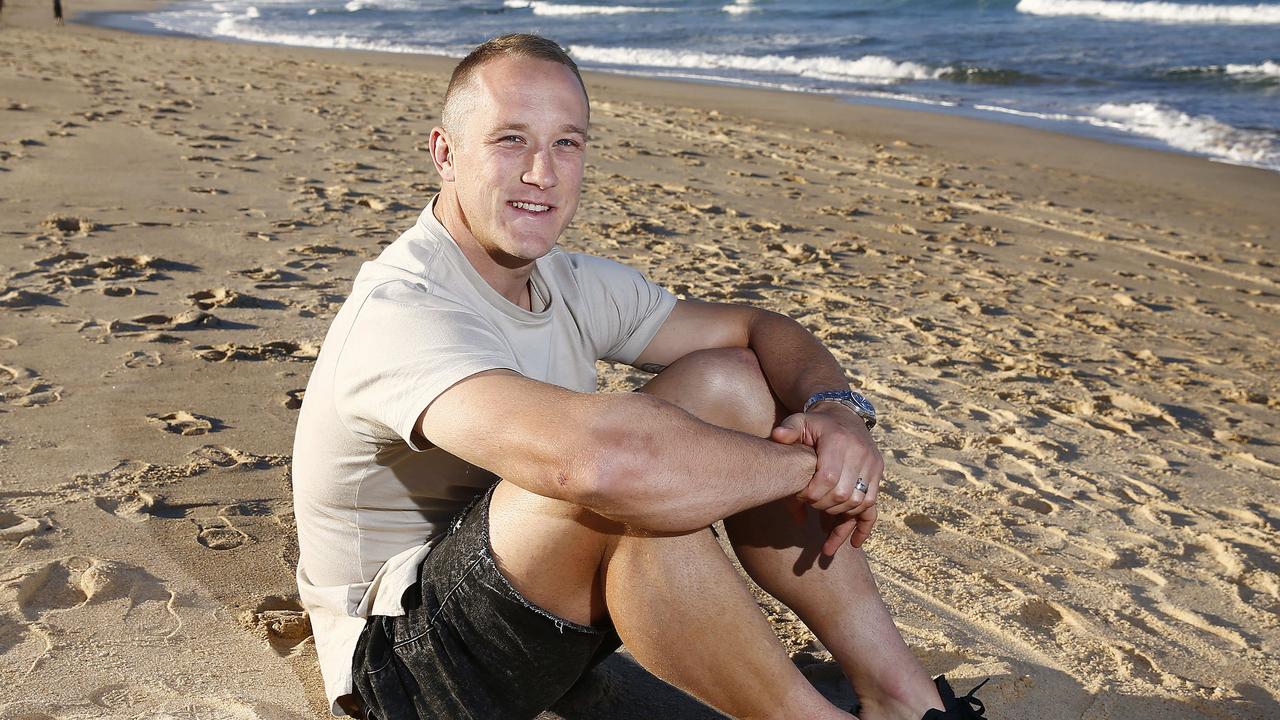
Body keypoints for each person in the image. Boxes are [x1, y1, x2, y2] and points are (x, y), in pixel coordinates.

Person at [291, 33, 988, 720]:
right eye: (511, 140)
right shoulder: (402, 309)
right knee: (620, 485)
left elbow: (755, 327)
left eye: (567, 142)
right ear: (445, 153)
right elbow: (599, 465)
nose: (543, 172)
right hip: (404, 665)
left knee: (733, 383)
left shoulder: (564, 280)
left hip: (534, 611)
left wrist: (836, 413)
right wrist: (814, 469)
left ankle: (905, 700)